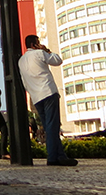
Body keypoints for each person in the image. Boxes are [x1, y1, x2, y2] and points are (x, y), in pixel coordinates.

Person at [18, 35, 76, 167]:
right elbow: (57, 60)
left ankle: (60, 156)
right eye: (38, 42)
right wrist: (47, 50)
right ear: (34, 44)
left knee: (50, 127)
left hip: (36, 97)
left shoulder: (21, 60)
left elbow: (24, 82)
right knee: (52, 127)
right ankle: (52, 158)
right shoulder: (40, 53)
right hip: (48, 92)